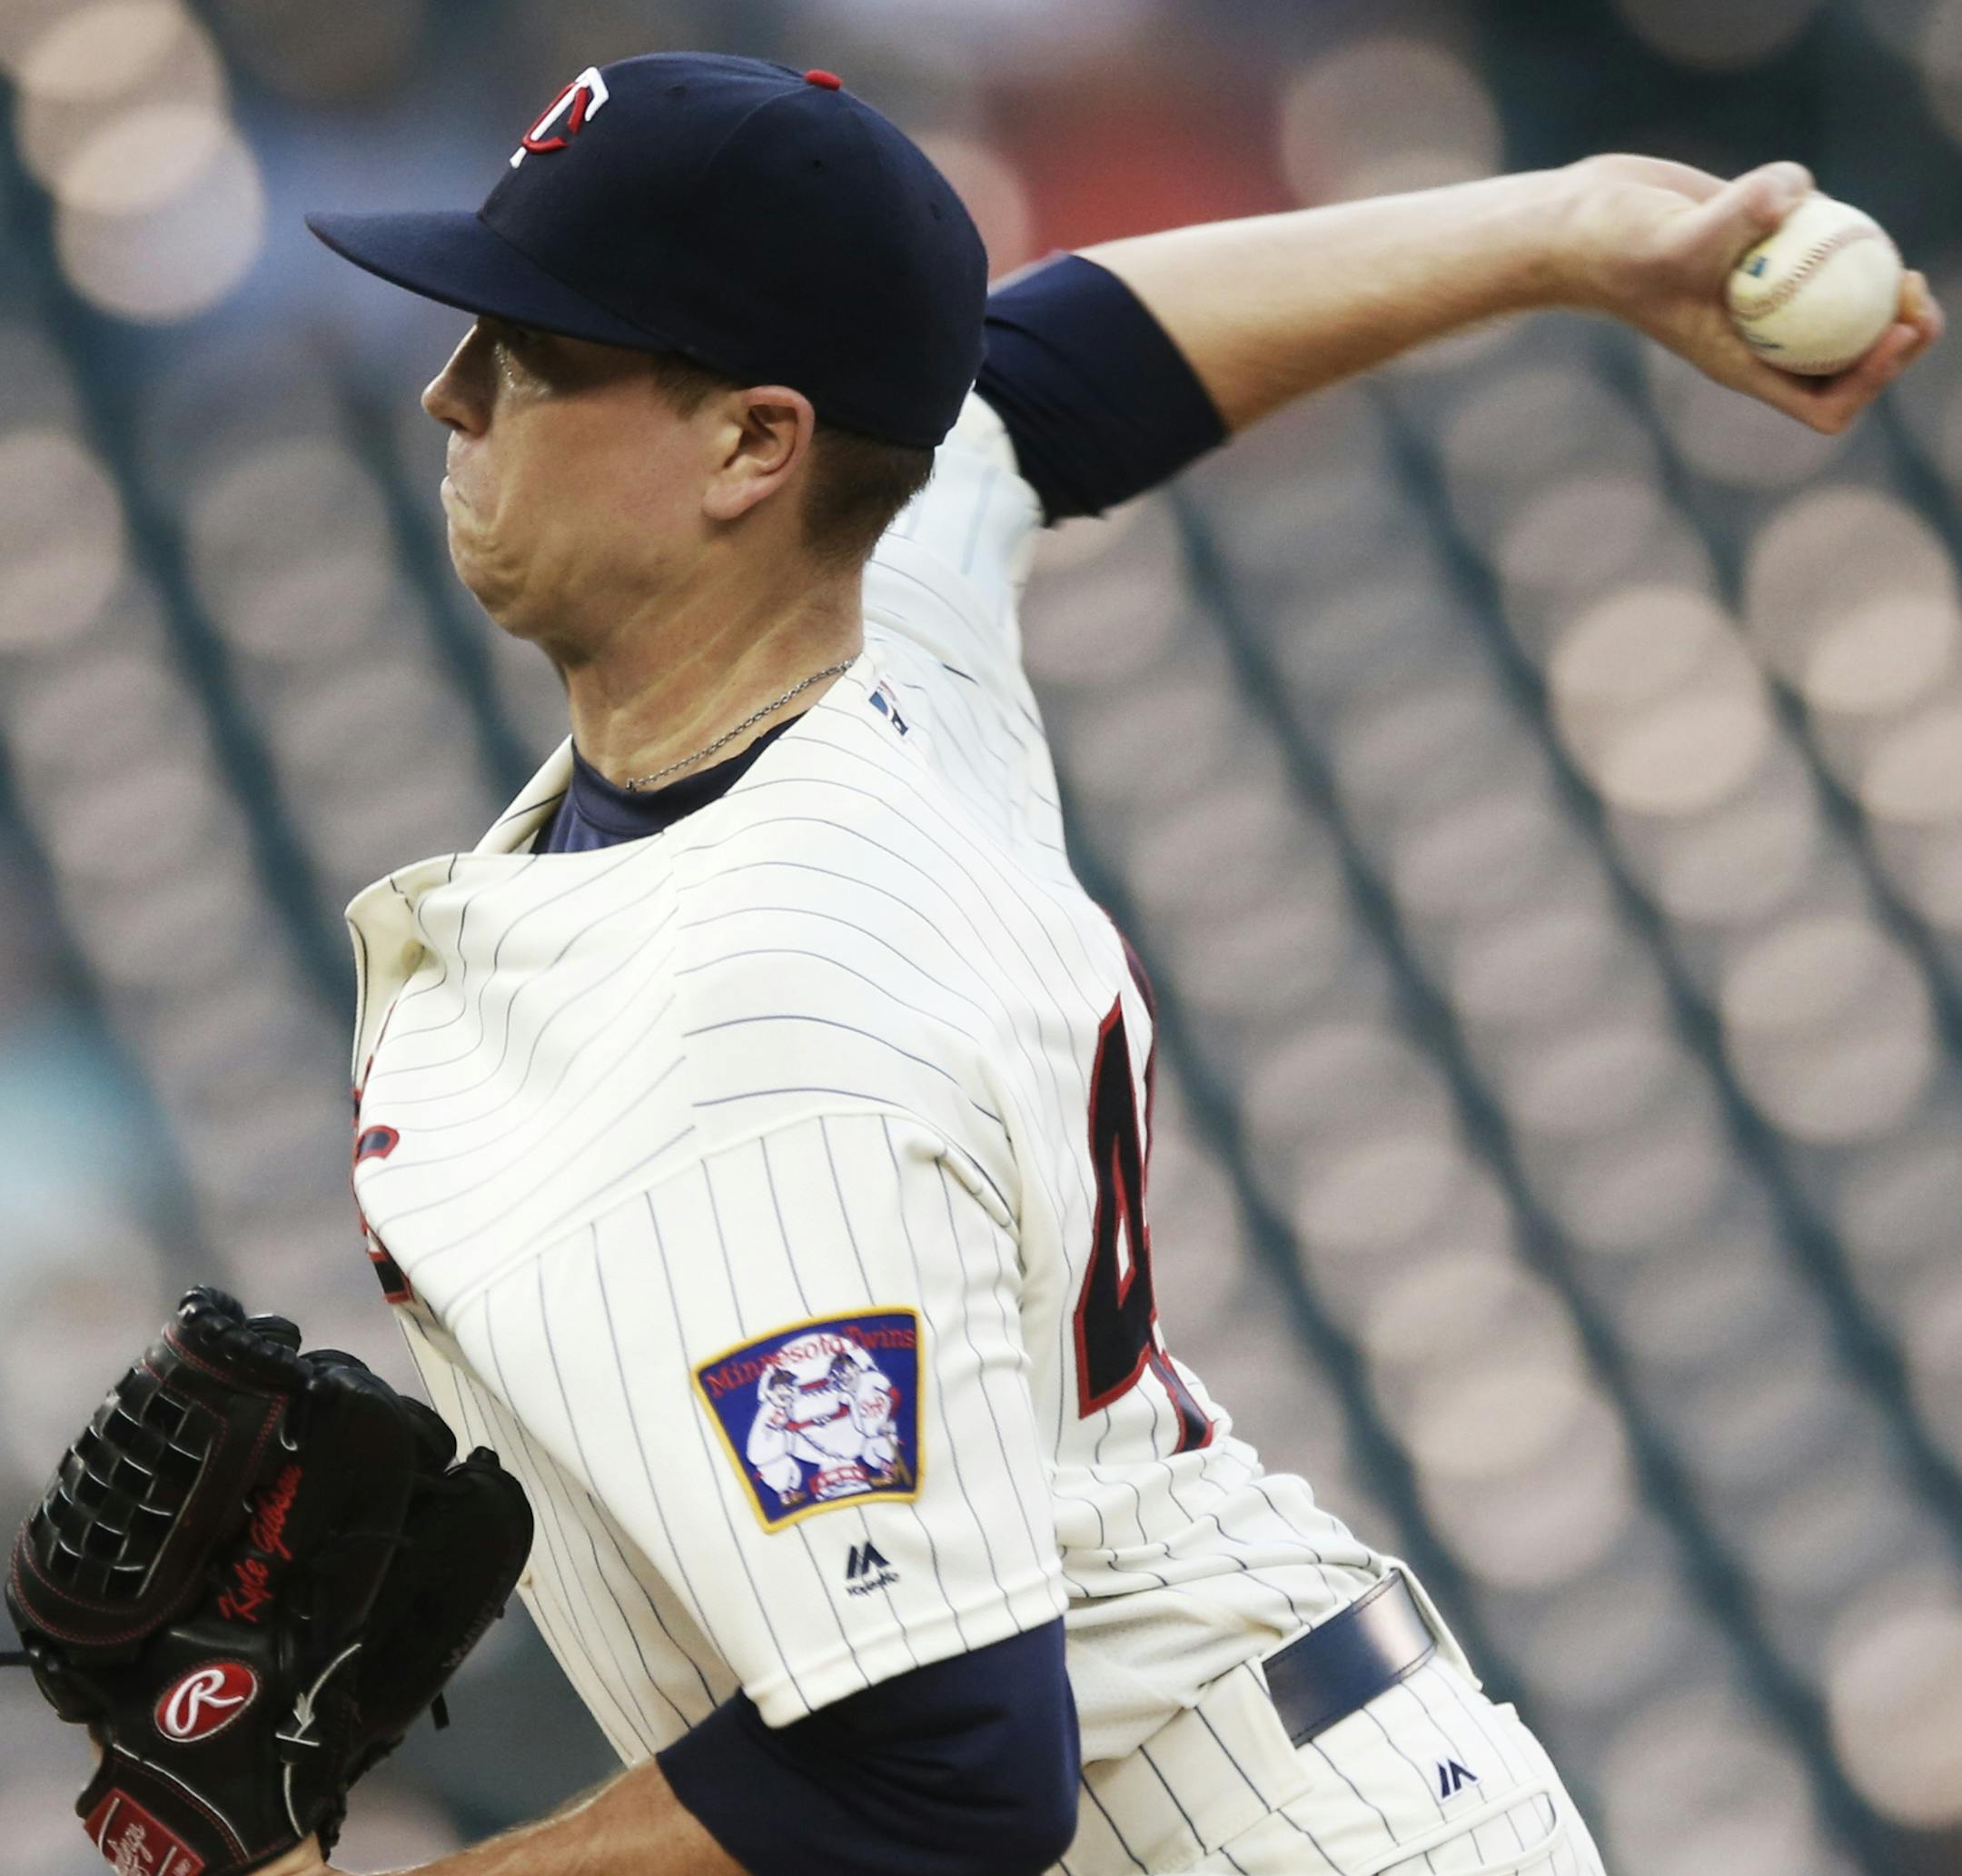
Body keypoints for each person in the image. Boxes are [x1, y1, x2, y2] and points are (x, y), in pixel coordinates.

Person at [286, 50, 1937, 1876]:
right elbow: (1062, 367)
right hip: (1302, 1760)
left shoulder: (759, 1017)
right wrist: (1567, 232)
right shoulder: (862, 591)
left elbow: (932, 1780)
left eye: (531, 351)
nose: (450, 391)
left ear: (756, 445)